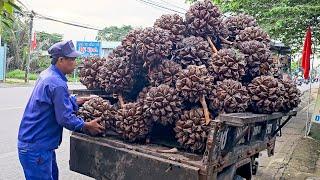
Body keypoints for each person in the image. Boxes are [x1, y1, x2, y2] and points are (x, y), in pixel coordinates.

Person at [17, 40, 105, 180]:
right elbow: (64, 118)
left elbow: (56, 103)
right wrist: (86, 126)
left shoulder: (48, 74)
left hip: (39, 146)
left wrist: (79, 100)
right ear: (61, 60)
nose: (75, 63)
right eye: (72, 59)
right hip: (36, 148)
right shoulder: (57, 83)